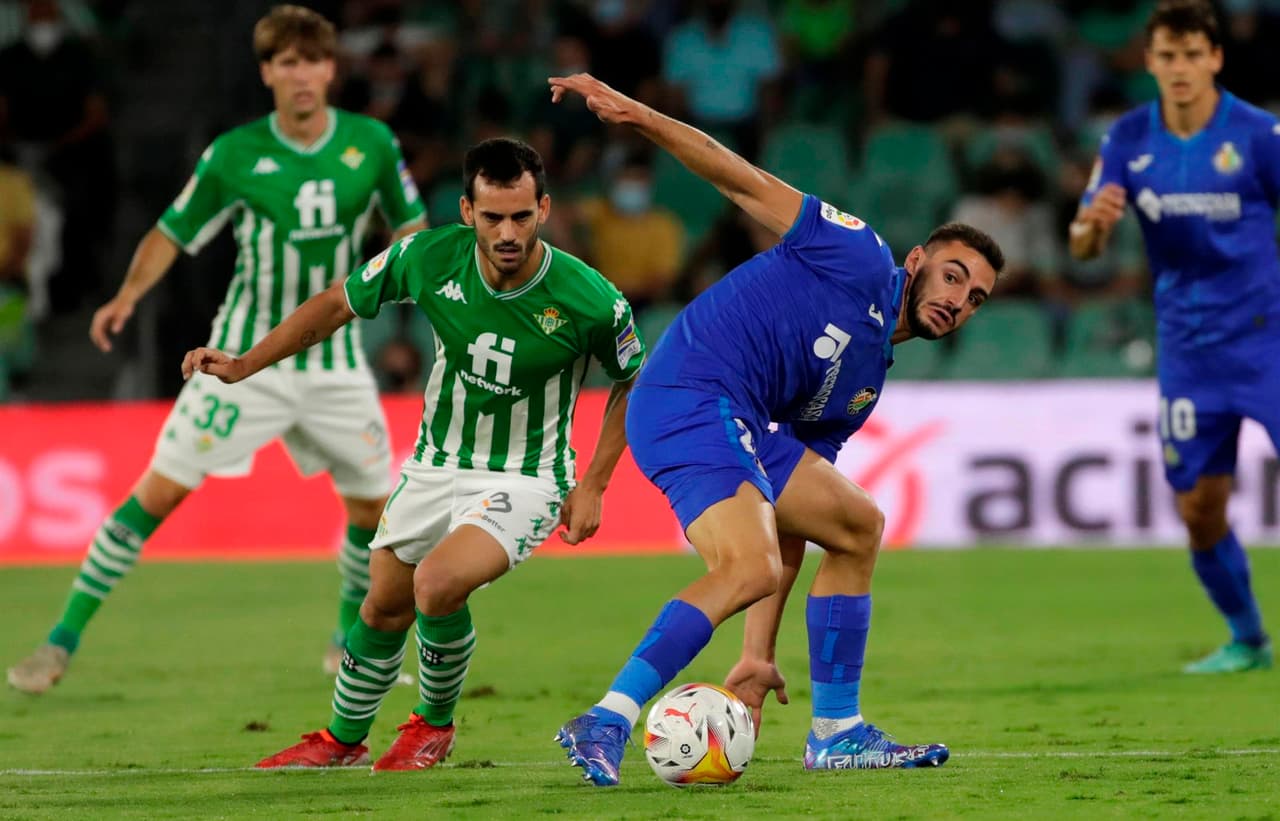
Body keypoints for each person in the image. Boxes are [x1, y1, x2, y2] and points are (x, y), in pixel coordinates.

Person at [547, 73, 1002, 785]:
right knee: (746, 564)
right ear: (916, 261)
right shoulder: (855, 252)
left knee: (854, 524)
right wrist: (639, 117)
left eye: (974, 297)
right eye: (952, 276)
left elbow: (788, 521)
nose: (958, 300)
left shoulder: (862, 385)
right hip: (688, 391)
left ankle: (837, 731)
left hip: (735, 418)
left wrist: (758, 651)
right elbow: (739, 178)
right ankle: (606, 715)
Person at [6, 5, 427, 695]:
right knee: (157, 494)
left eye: (312, 60)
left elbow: (412, 230)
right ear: (267, 72)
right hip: (241, 359)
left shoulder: (372, 142)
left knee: (371, 511)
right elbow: (172, 231)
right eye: (285, 61)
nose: (301, 74)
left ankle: (344, 639)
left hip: (335, 361)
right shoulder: (233, 153)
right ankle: (59, 641)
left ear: (330, 68)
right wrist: (128, 295)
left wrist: (422, 298)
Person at [211, 137, 644, 771]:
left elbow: (635, 379)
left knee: (436, 584)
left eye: (521, 216)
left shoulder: (589, 299)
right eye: (493, 216)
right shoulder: (426, 256)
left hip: (526, 477)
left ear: (544, 210)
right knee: (381, 603)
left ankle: (431, 727)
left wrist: (596, 484)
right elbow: (338, 304)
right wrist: (248, 362)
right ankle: (341, 740)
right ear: (467, 210)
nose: (507, 232)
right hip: (435, 463)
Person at [1069, 0, 1273, 674]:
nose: (1180, 68)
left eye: (1193, 54)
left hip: (1266, 339)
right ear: (1149, 61)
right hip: (1189, 351)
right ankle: (1247, 638)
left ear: (1215, 58)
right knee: (1198, 508)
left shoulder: (1257, 134)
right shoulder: (1129, 138)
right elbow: (1083, 246)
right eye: (1167, 55)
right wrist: (1095, 223)